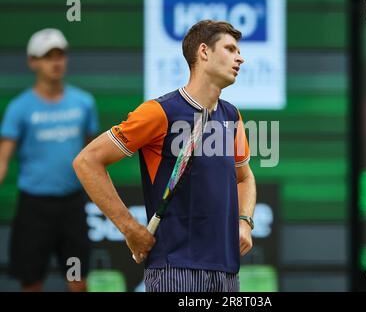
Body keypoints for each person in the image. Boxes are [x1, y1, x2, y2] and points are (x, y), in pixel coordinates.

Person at [73, 20, 256, 292]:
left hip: (226, 270)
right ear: (204, 52)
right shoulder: (159, 112)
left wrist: (245, 221)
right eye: (230, 49)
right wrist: (129, 229)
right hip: (175, 269)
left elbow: (244, 177)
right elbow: (87, 162)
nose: (240, 57)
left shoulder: (232, 115)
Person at [0, 28, 99, 292]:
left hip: (73, 205)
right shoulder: (18, 108)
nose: (56, 62)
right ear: (33, 61)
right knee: (31, 282)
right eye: (47, 56)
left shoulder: (84, 103)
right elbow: (2, 160)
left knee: (78, 281)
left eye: (60, 55)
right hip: (34, 207)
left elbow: (93, 155)